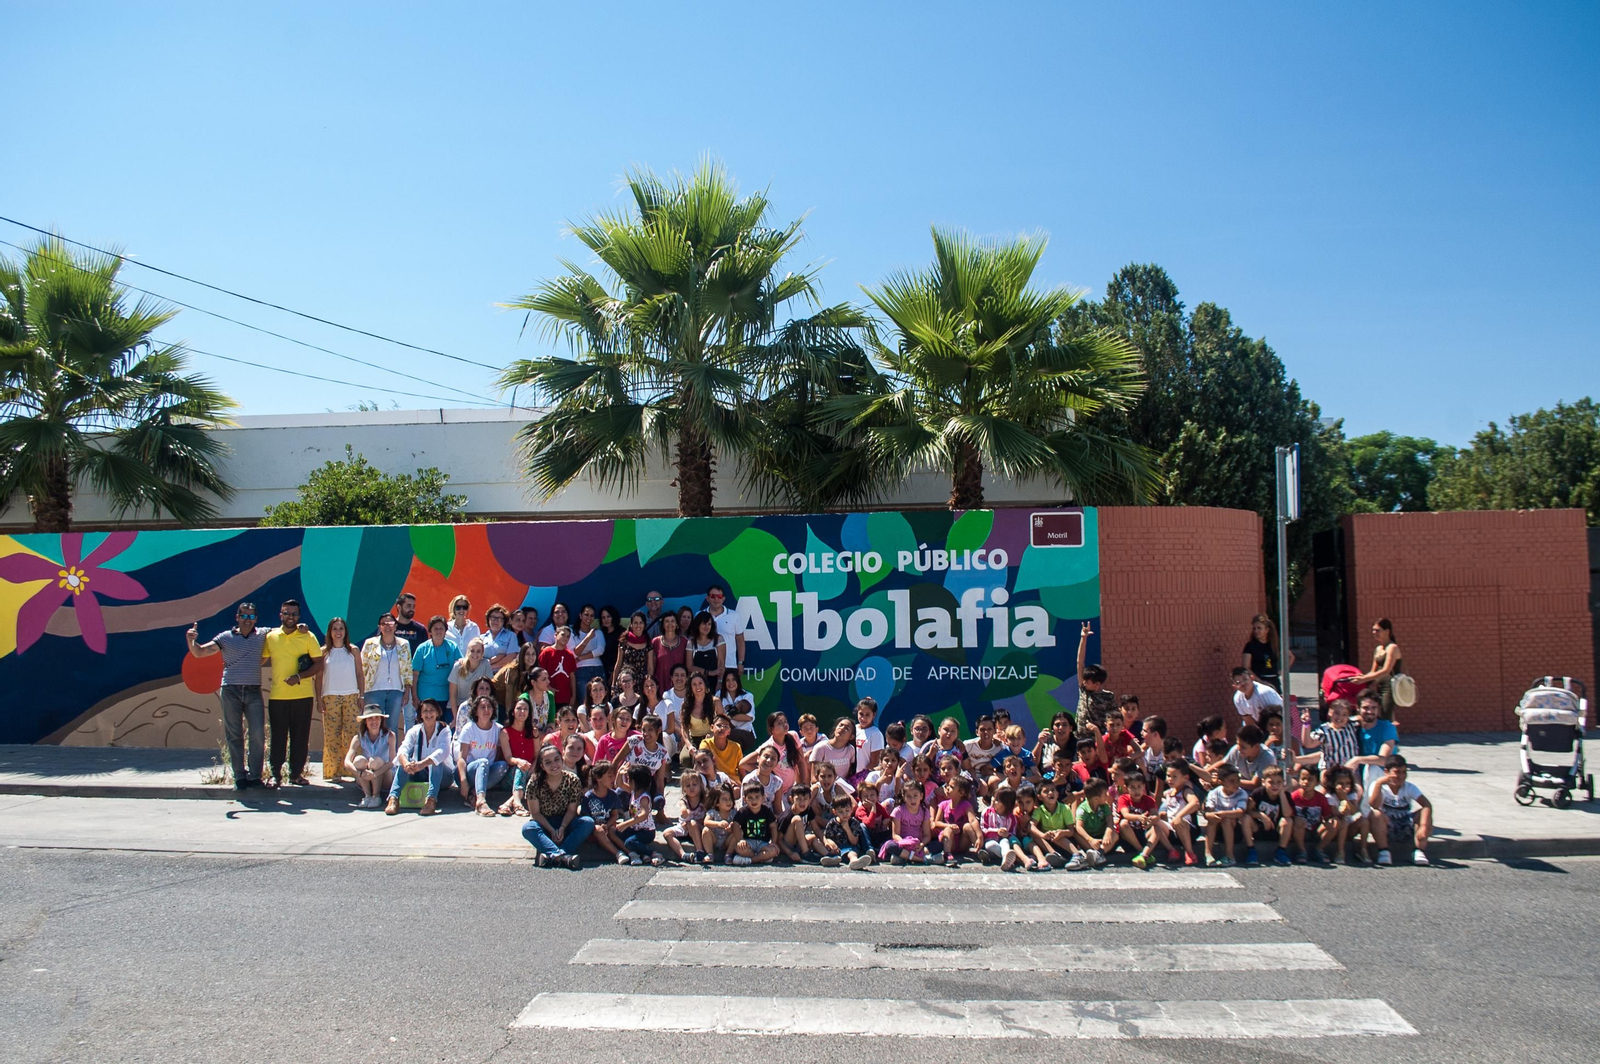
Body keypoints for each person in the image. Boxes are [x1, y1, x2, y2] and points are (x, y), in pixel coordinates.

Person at [186, 602, 268, 791]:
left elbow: (284, 633)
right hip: (230, 690)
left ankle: (255, 777)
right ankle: (240, 776)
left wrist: (301, 627)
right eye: (244, 616)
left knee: (257, 734)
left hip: (253, 690)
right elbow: (199, 652)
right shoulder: (225, 637)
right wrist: (191, 640)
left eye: (251, 616)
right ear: (237, 617)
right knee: (234, 735)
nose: (247, 620)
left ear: (256, 619)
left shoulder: (263, 635)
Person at [261, 599, 324, 787]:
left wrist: (300, 676)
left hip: (303, 696)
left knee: (300, 736)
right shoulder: (271, 637)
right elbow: (260, 660)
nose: (290, 617)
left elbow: (319, 663)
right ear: (280, 615)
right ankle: (275, 775)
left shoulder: (308, 636)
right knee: (278, 736)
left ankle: (296, 774)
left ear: (299, 616)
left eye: (294, 614)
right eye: (287, 613)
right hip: (278, 696)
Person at [521, 744, 592, 869]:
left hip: (566, 821)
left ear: (562, 759)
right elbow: (535, 814)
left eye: (556, 760)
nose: (554, 765)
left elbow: (572, 810)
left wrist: (562, 828)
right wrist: (552, 830)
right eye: (548, 762)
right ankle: (564, 858)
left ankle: (552, 854)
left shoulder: (572, 780)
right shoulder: (534, 782)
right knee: (528, 828)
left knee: (587, 822)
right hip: (544, 823)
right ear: (542, 766)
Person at [314, 617, 365, 782]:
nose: (338, 632)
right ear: (329, 632)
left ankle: (350, 769)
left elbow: (359, 673)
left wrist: (361, 695)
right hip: (330, 696)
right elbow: (319, 677)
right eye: (334, 629)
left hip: (351, 696)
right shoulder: (323, 652)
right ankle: (333, 771)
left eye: (341, 628)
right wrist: (319, 698)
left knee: (351, 734)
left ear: (345, 632)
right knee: (332, 734)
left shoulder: (353, 651)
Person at [386, 698, 453, 816]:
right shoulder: (415, 730)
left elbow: (443, 751)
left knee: (435, 762)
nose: (428, 714)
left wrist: (422, 764)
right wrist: (406, 763)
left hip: (443, 775)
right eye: (425, 711)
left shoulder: (444, 729)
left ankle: (431, 800)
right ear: (420, 715)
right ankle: (393, 798)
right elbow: (403, 749)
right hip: (420, 772)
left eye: (432, 710)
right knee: (404, 763)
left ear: (437, 713)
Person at [1369, 754, 1432, 866]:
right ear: (1386, 772)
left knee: (1424, 813)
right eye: (1397, 772)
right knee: (1375, 814)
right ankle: (1383, 851)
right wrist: (1379, 784)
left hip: (1406, 824)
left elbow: (1427, 804)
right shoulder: (1378, 786)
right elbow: (1374, 805)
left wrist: (1423, 826)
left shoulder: (1409, 787)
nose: (1401, 776)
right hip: (1388, 826)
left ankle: (1419, 851)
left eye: (1404, 772)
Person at [360, 612, 413, 735]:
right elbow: (363, 667)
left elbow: (407, 668)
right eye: (384, 624)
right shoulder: (370, 643)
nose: (387, 626)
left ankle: (391, 754)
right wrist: (361, 693)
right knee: (373, 726)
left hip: (395, 690)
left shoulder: (404, 644)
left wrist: (407, 689)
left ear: (395, 626)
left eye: (390, 623)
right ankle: (373, 753)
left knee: (392, 727)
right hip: (373, 689)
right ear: (379, 627)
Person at [456, 696, 506, 816]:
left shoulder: (498, 729)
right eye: (482, 707)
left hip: (488, 772)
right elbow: (461, 758)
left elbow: (499, 755)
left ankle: (474, 794)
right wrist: (463, 781)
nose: (486, 710)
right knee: (483, 762)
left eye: (489, 707)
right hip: (470, 771)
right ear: (476, 711)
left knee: (503, 765)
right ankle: (481, 802)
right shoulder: (469, 729)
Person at [1350, 618, 1406, 723]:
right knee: (1378, 715)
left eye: (1378, 630)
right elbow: (1373, 671)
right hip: (1379, 687)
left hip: (1390, 688)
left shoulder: (1392, 648)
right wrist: (1362, 678)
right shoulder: (1378, 649)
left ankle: (1389, 739)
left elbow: (1386, 670)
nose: (1374, 633)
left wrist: (1364, 679)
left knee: (1386, 715)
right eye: (1373, 630)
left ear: (1387, 631)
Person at [343, 705, 394, 808]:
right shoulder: (358, 738)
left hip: (384, 776)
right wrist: (360, 773)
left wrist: (375, 774)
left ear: (381, 720)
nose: (374, 721)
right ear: (365, 721)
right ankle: (367, 795)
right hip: (365, 778)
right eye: (370, 718)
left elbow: (393, 761)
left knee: (375, 761)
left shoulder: (390, 735)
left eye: (377, 718)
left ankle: (376, 796)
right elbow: (347, 761)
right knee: (359, 760)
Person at [1203, 764, 1253, 867]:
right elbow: (1208, 812)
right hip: (1217, 830)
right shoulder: (1214, 793)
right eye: (1232, 781)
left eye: (1237, 780)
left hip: (1235, 831)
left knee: (1226, 820)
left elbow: (1240, 812)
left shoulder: (1241, 793)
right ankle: (1208, 854)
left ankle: (1230, 856)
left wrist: (1221, 813)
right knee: (1212, 820)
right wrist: (1209, 815)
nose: (1236, 784)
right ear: (1221, 781)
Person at [409, 617, 459, 720]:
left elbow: (461, 666)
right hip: (426, 697)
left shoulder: (453, 646)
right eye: (435, 628)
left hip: (446, 696)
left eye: (441, 628)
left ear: (445, 631)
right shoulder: (422, 649)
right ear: (430, 631)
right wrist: (414, 695)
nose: (439, 631)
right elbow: (415, 674)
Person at [498, 696, 540, 816]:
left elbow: (537, 754)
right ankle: (517, 802)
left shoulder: (533, 732)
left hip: (531, 771)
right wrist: (520, 762)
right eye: (519, 708)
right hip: (511, 774)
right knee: (521, 768)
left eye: (525, 709)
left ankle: (509, 803)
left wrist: (532, 769)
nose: (522, 712)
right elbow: (508, 758)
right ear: (513, 711)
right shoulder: (505, 732)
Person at [616, 763, 663, 866]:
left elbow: (644, 815)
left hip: (646, 832)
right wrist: (620, 773)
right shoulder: (633, 791)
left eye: (629, 779)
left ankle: (652, 853)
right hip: (636, 829)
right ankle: (641, 854)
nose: (627, 781)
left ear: (635, 782)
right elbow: (619, 784)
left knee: (629, 842)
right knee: (616, 832)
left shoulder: (644, 797)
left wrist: (626, 824)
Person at [1298, 698, 1360, 771]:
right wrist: (1306, 724)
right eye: (1337, 713)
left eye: (1344, 714)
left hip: (1351, 771)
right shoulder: (1324, 730)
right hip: (1331, 771)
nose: (1340, 717)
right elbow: (1308, 744)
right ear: (1330, 712)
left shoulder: (1351, 726)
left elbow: (1361, 717)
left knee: (1356, 782)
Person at [582, 762, 628, 863]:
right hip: (594, 829)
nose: (613, 779)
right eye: (610, 776)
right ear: (598, 778)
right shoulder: (588, 797)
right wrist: (598, 826)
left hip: (608, 825)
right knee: (599, 830)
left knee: (612, 831)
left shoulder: (613, 795)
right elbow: (586, 818)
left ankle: (630, 852)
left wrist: (607, 825)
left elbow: (614, 815)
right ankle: (618, 853)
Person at [1075, 621, 1117, 730]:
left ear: (1097, 684)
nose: (1084, 682)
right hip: (1081, 739)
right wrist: (1083, 639)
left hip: (1098, 740)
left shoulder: (1108, 697)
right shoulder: (1084, 690)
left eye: (1087, 681)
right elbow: (1080, 662)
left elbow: (1114, 719)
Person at [1250, 765, 1295, 865]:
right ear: (1263, 782)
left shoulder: (1286, 795)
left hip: (1276, 830)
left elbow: (1288, 814)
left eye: (1279, 782)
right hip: (1259, 829)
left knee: (1288, 821)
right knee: (1245, 818)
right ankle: (1251, 850)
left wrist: (1282, 794)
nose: (1275, 786)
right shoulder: (1258, 793)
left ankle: (1281, 851)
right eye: (1271, 782)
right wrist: (1261, 815)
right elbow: (1247, 811)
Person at [933, 775, 979, 867]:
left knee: (967, 826)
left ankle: (979, 849)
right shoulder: (943, 805)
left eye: (951, 787)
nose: (947, 789)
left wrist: (979, 836)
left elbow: (973, 820)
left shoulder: (966, 805)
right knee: (948, 830)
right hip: (950, 842)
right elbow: (936, 823)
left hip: (962, 842)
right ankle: (947, 854)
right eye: (947, 786)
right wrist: (948, 826)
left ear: (961, 793)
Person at [731, 781, 779, 866]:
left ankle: (750, 860)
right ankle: (761, 858)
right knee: (739, 848)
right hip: (748, 841)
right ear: (745, 799)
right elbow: (735, 825)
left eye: (757, 797)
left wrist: (774, 843)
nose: (754, 800)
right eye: (750, 797)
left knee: (773, 851)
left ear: (763, 798)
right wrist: (740, 840)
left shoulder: (766, 811)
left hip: (763, 843)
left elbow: (773, 827)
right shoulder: (743, 811)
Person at [676, 671, 717, 768]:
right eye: (694, 684)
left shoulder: (715, 702)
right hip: (694, 739)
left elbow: (723, 723)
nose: (697, 687)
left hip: (711, 739)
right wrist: (689, 745)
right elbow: (684, 728)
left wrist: (713, 734)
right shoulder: (685, 705)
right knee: (685, 759)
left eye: (700, 683)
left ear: (705, 685)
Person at [1242, 613, 1291, 692]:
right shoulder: (1250, 646)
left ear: (1267, 630)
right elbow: (1246, 667)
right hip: (1259, 681)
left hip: (1274, 680)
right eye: (1254, 628)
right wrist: (1259, 681)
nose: (1256, 631)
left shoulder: (1274, 644)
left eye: (1259, 628)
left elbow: (1290, 657)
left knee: (1276, 703)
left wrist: (1282, 670)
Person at [1223, 723, 1277, 790]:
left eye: (1243, 747)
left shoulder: (1267, 758)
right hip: (1241, 788)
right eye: (1238, 744)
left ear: (1256, 746)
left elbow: (1254, 784)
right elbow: (1223, 764)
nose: (1239, 748)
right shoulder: (1237, 749)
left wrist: (1227, 781)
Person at [449, 638, 494, 712]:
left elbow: (489, 690)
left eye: (478, 651)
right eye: (472, 651)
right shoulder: (458, 666)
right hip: (457, 707)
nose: (475, 654)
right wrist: (455, 717)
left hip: (478, 706)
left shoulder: (486, 664)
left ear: (482, 653)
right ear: (467, 652)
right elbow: (453, 695)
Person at [570, 604, 606, 696]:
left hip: (598, 668)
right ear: (580, 615)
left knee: (600, 700)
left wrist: (580, 658)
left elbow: (600, 650)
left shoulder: (598, 632)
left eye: (592, 615)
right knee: (585, 700)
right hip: (581, 670)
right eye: (586, 614)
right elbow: (574, 653)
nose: (589, 618)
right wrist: (588, 638)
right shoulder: (572, 632)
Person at [538, 627, 577, 708]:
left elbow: (572, 676)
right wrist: (548, 687)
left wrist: (573, 695)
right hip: (548, 695)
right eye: (563, 635)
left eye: (568, 636)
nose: (565, 638)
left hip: (565, 697)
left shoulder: (570, 655)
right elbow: (539, 673)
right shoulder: (546, 652)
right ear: (555, 635)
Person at [720, 670, 757, 751]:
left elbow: (748, 718)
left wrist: (728, 716)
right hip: (726, 728)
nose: (731, 683)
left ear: (738, 681)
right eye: (727, 680)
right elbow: (718, 715)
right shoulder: (719, 695)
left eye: (733, 679)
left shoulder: (747, 696)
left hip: (746, 732)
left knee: (728, 735)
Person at [700, 713, 744, 781]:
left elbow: (742, 770)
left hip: (734, 782)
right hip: (714, 779)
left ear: (729, 732)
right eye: (719, 725)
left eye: (726, 727)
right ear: (712, 727)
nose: (722, 728)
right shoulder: (706, 744)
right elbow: (705, 766)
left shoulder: (736, 747)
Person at [649, 612, 686, 694]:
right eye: (667, 621)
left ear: (677, 624)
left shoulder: (684, 642)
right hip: (660, 685)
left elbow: (687, 665)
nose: (670, 624)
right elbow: (652, 667)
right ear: (663, 624)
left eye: (672, 621)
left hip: (680, 686)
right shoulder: (655, 642)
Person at [614, 612, 652, 692]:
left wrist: (649, 683)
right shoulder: (624, 641)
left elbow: (650, 667)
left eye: (641, 623)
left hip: (640, 682)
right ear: (631, 625)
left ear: (644, 625)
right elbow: (618, 663)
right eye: (635, 623)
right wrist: (613, 684)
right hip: (625, 680)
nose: (638, 625)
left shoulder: (648, 643)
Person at [686, 611, 724, 683]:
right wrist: (708, 672)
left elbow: (721, 663)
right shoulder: (691, 642)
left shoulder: (718, 639)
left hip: (714, 681)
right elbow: (689, 666)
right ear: (697, 625)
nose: (706, 627)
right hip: (696, 682)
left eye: (709, 624)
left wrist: (720, 682)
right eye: (704, 624)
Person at [479, 605, 519, 671]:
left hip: (502, 675)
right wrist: (496, 659)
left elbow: (511, 657)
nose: (496, 621)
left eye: (499, 618)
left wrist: (491, 666)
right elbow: (477, 658)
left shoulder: (511, 636)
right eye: (493, 617)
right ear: (488, 619)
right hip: (484, 674)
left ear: (504, 621)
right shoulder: (481, 638)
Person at [597, 606, 623, 688]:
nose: (606, 619)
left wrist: (614, 672)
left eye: (608, 616)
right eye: (603, 617)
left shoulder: (622, 633)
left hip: (618, 671)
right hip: (602, 671)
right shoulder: (600, 633)